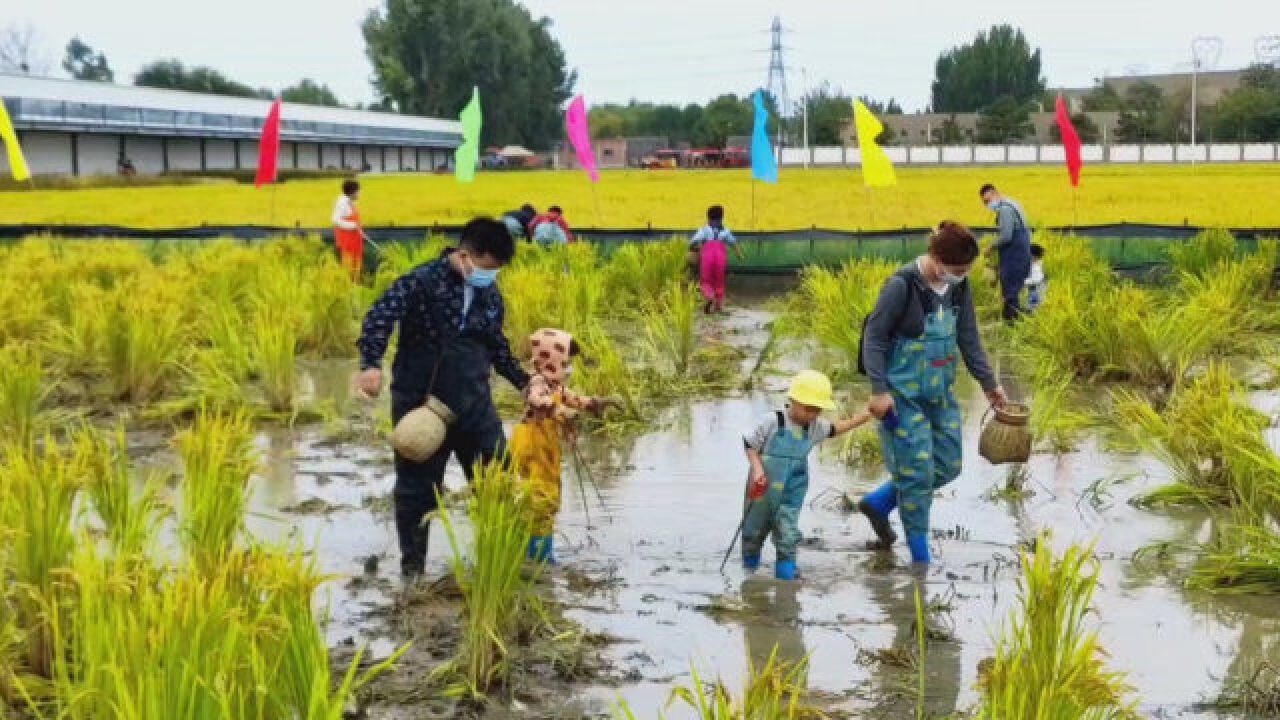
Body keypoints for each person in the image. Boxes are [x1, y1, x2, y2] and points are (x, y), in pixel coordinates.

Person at [355, 217, 528, 581]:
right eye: (488, 268)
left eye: (497, 271)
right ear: (467, 255)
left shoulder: (489, 293)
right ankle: (413, 571)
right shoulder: (421, 282)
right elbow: (379, 317)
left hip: (474, 402)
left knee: (496, 479)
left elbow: (497, 346)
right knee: (417, 490)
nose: (491, 277)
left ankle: (499, 563)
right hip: (422, 404)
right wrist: (370, 364)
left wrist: (524, 384)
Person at [856, 221, 1007, 565]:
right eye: (955, 270)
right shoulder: (902, 286)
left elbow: (968, 335)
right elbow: (874, 339)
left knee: (949, 464)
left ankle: (880, 502)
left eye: (966, 270)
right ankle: (920, 560)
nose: (960, 275)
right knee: (917, 472)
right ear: (936, 258)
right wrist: (879, 392)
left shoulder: (958, 287)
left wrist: (990, 384)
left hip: (940, 393)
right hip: (901, 397)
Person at [742, 370, 871, 580]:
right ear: (792, 400)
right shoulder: (772, 422)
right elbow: (750, 444)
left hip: (793, 490)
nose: (812, 414)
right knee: (753, 531)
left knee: (787, 532)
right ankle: (749, 577)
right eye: (808, 408)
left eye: (817, 410)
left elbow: (836, 429)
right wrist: (757, 470)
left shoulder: (814, 427)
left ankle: (786, 580)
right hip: (762, 487)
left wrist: (862, 418)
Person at [510, 328, 619, 564]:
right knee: (541, 498)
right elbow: (536, 399)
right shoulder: (538, 382)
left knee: (540, 497)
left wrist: (595, 404)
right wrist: (559, 411)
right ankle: (540, 555)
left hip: (545, 444)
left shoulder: (555, 385)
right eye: (566, 360)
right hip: (533, 442)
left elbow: (573, 399)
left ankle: (529, 551)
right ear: (551, 358)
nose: (568, 366)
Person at [979, 183, 1033, 321]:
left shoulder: (1004, 209)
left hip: (1014, 252)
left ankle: (1011, 321)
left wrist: (990, 247)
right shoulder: (1013, 203)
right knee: (1015, 286)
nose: (988, 205)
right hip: (1022, 249)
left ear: (995, 194)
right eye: (985, 203)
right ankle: (1017, 316)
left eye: (988, 200)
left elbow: (1006, 236)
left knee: (1009, 286)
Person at [690, 205, 745, 314]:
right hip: (720, 256)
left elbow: (693, 242)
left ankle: (709, 296)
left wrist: (698, 249)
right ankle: (718, 306)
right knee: (719, 281)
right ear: (721, 218)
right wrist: (739, 255)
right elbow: (734, 244)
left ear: (708, 218)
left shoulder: (704, 230)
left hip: (707, 256)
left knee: (706, 280)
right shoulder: (726, 231)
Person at [333, 179, 370, 280]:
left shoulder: (349, 202)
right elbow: (336, 220)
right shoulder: (342, 203)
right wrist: (353, 225)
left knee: (356, 266)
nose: (360, 193)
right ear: (352, 192)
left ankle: (355, 284)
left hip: (355, 240)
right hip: (348, 243)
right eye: (358, 191)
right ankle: (349, 286)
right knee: (348, 267)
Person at [1025, 243, 1046, 313]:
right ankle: (1031, 310)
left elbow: (1035, 280)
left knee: (1034, 302)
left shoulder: (1036, 266)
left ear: (1034, 257)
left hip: (1037, 287)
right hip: (1034, 287)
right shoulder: (1034, 264)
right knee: (1032, 300)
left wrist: (1023, 282)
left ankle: (1033, 313)